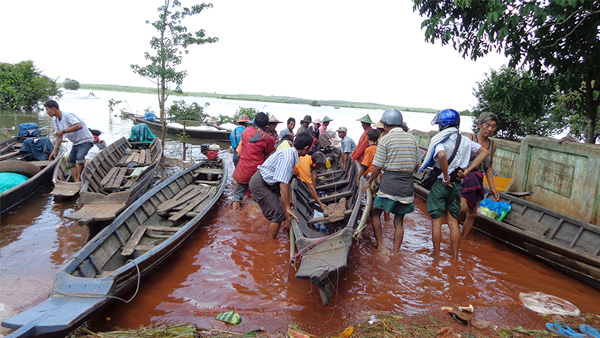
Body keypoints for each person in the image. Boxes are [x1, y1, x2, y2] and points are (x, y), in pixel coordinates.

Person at [418, 109, 489, 260]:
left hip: (440, 184)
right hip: (457, 185)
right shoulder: (465, 140)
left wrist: (445, 177)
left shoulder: (440, 140)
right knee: (453, 222)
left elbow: (442, 155)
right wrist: (467, 170)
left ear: (443, 124)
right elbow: (484, 152)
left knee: (437, 222)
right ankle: (455, 258)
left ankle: (437, 257)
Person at [362, 109, 419, 254]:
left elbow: (377, 166)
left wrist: (369, 182)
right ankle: (395, 252)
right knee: (399, 221)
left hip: (389, 182)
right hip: (407, 185)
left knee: (375, 212)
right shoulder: (412, 139)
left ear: (386, 125)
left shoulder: (385, 139)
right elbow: (417, 166)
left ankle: (380, 245)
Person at [249, 132, 313, 238]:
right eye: (309, 149)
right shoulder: (288, 158)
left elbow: (286, 180)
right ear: (306, 148)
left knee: (278, 208)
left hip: (268, 182)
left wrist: (290, 198)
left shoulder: (291, 154)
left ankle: (273, 227)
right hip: (260, 183)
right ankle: (270, 245)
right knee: (278, 215)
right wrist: (287, 207)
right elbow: (283, 184)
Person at [460, 112, 501, 239]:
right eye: (487, 125)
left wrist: (493, 188)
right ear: (480, 125)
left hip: (477, 181)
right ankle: (453, 233)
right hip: (463, 178)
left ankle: (463, 240)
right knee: (462, 209)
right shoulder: (470, 138)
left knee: (472, 214)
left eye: (493, 126)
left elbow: (489, 166)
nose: (490, 129)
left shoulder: (492, 145)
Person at [231, 112, 275, 211]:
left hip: (243, 170)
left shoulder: (245, 132)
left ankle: (233, 214)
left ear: (254, 122)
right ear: (266, 125)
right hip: (256, 172)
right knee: (256, 198)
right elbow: (269, 154)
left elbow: (241, 150)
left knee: (237, 195)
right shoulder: (268, 138)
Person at [45, 100, 94, 182]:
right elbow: (59, 137)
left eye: (47, 110)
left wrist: (64, 131)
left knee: (80, 159)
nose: (47, 112)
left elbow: (79, 125)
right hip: (76, 143)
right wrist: (54, 151)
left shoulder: (67, 115)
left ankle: (80, 179)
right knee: (70, 162)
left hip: (85, 141)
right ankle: (76, 181)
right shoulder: (56, 121)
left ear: (53, 108)